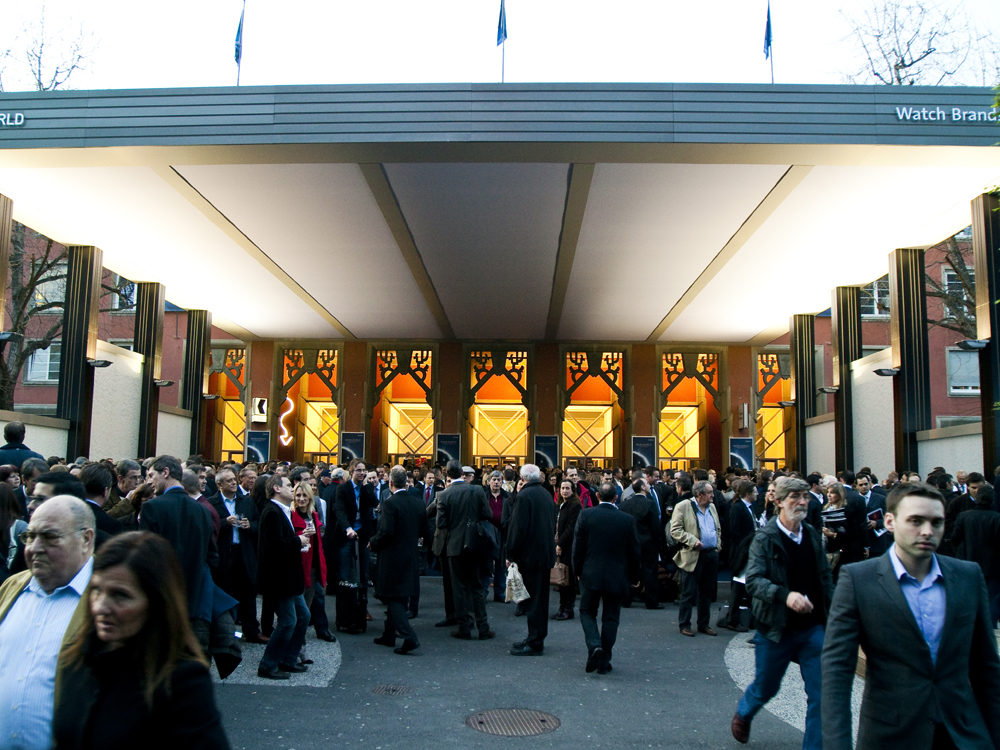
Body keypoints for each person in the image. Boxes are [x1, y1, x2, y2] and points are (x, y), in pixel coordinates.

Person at [822, 481, 1000, 750]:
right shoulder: (859, 580)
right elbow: (837, 670)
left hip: (962, 734)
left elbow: (986, 668)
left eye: (936, 522)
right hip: (891, 735)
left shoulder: (968, 576)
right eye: (916, 521)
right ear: (890, 521)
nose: (928, 531)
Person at [53, 532, 230, 750]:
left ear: (156, 602)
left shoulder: (180, 681)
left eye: (120, 595)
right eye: (96, 591)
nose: (100, 607)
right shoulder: (75, 660)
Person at [732, 477, 833, 749]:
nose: (802, 502)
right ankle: (745, 711)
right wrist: (785, 596)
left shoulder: (812, 534)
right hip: (776, 627)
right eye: (795, 497)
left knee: (822, 695)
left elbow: (824, 577)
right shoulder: (765, 538)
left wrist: (835, 612)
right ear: (778, 502)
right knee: (767, 686)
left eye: (805, 496)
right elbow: (753, 581)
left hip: (812, 627)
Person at [0, 496, 95, 750]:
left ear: (86, 539)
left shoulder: (108, 598)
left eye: (50, 537)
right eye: (29, 537)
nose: (34, 548)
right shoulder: (12, 588)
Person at [139, 455, 219, 651]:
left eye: (151, 475)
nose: (149, 481)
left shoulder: (152, 507)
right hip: (194, 594)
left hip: (162, 596)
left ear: (165, 472)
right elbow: (212, 555)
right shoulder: (202, 510)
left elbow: (145, 557)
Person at [573, 482, 640, 674]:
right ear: (615, 498)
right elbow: (634, 551)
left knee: (587, 611)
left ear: (597, 497)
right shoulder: (626, 520)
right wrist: (635, 576)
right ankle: (604, 660)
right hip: (617, 575)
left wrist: (578, 571)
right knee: (611, 618)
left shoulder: (586, 515)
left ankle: (594, 645)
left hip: (591, 573)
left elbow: (578, 546)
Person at [370, 465, 429, 655]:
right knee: (401, 596)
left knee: (392, 597)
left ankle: (408, 636)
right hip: (410, 554)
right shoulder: (418, 502)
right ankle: (389, 635)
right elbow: (424, 531)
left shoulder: (390, 503)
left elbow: (386, 531)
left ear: (390, 483)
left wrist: (373, 542)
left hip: (392, 556)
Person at [256, 475, 310, 680]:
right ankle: (268, 665)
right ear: (277, 488)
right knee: (288, 621)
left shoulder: (282, 511)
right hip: (279, 579)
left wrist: (299, 542)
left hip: (287, 579)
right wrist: (299, 540)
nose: (293, 489)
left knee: (302, 616)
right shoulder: (272, 512)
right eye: (289, 485)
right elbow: (275, 547)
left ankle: (288, 659)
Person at [435, 460, 495, 641]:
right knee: (476, 586)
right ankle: (483, 627)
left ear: (447, 474)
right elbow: (488, 514)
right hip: (475, 543)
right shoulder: (476, 490)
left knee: (459, 588)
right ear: (462, 472)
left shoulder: (444, 495)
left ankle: (465, 627)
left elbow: (441, 523)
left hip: (454, 546)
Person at [208, 468, 266, 645]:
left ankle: (252, 631)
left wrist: (250, 525)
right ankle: (225, 632)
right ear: (219, 485)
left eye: (234, 480)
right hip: (225, 553)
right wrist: (225, 523)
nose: (233, 483)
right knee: (225, 592)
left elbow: (258, 523)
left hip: (243, 551)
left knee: (248, 591)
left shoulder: (246, 502)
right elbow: (209, 527)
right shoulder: (212, 503)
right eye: (229, 481)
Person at [506, 464, 557, 656]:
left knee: (533, 600)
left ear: (522, 478)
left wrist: (510, 554)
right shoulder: (546, 495)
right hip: (544, 553)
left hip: (529, 555)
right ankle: (535, 637)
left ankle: (535, 641)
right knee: (540, 599)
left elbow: (517, 528)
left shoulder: (524, 497)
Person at [670, 479, 722, 637]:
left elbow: (717, 528)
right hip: (693, 555)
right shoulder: (684, 506)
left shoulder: (712, 507)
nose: (713, 495)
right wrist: (693, 541)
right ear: (699, 494)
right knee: (688, 592)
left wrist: (717, 545)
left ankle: (704, 624)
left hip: (710, 554)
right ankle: (684, 624)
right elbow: (675, 530)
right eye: (709, 493)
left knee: (706, 592)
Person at [333, 462, 378, 625]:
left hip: (363, 534)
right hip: (348, 534)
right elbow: (340, 510)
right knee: (346, 573)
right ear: (351, 471)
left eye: (363, 470)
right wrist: (348, 528)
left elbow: (374, 503)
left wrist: (367, 487)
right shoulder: (343, 489)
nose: (361, 473)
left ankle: (362, 607)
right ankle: (346, 610)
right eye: (358, 470)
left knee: (363, 573)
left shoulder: (366, 488)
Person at [952, 485, 1000, 627]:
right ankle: (989, 627)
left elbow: (955, 538)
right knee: (992, 598)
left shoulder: (964, 516)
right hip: (993, 566)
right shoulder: (997, 518)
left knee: (970, 597)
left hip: (968, 562)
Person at [290, 481, 327, 654]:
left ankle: (300, 649)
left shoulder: (314, 515)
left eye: (305, 495)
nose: (301, 499)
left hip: (312, 567)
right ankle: (295, 650)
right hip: (297, 567)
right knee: (299, 612)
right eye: (298, 495)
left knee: (306, 609)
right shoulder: (290, 515)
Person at [619, 477, 662, 610]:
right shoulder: (650, 504)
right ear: (642, 487)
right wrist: (660, 543)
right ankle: (651, 601)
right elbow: (656, 526)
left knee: (628, 570)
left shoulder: (625, 504)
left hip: (629, 543)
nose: (649, 486)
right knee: (650, 571)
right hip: (648, 542)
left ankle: (626, 599)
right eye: (647, 484)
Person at [723, 479, 758, 631]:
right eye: (755, 491)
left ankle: (744, 618)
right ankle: (733, 618)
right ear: (748, 494)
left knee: (745, 585)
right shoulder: (738, 508)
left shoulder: (749, 508)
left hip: (748, 550)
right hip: (742, 552)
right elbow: (735, 531)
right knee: (738, 586)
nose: (758, 493)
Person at [552, 479, 582, 620]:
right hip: (558, 545)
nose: (565, 491)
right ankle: (561, 607)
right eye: (562, 488)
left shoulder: (575, 506)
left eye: (567, 488)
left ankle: (568, 609)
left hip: (569, 547)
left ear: (572, 490)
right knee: (560, 580)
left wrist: (560, 544)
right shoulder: (559, 505)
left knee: (568, 579)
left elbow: (571, 528)